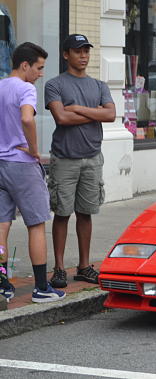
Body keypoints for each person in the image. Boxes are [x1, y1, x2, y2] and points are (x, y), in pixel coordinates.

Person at [45, 34, 115, 288]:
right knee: (62, 214)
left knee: (86, 214)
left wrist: (77, 109)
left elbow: (111, 113)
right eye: (78, 51)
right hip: (64, 159)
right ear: (66, 55)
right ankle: (60, 268)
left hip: (93, 158)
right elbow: (61, 119)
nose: (83, 55)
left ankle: (84, 267)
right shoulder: (54, 85)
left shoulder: (99, 85)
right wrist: (94, 114)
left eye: (86, 50)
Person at [0, 42, 65, 302]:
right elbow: (27, 118)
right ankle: (41, 288)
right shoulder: (25, 88)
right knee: (36, 224)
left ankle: (2, 280)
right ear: (24, 65)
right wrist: (34, 149)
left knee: (2, 224)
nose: (40, 74)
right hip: (21, 164)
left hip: (0, 163)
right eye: (38, 68)